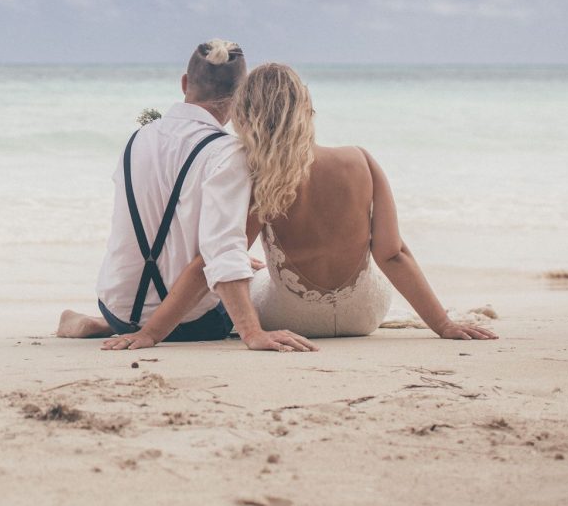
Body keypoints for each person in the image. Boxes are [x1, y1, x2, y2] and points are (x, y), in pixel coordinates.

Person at [102, 62, 497, 350]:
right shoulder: (360, 160)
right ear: (308, 108)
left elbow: (211, 260)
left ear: (247, 118)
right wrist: (442, 324)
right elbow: (393, 254)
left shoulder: (262, 178)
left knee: (239, 272)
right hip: (365, 315)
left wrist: (152, 332)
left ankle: (105, 320)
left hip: (292, 319)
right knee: (246, 267)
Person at [58, 41, 319, 352]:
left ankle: (100, 323)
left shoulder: (138, 138)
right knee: (262, 285)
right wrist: (252, 333)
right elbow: (219, 250)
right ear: (241, 98)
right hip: (188, 325)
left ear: (184, 83)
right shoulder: (228, 154)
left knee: (235, 265)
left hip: (116, 308)